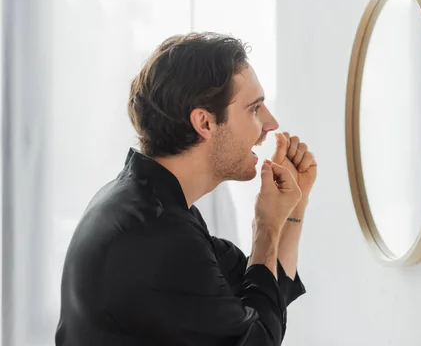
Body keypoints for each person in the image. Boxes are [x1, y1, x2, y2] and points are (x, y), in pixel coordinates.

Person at [55, 32, 317, 345]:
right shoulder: (158, 234)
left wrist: (292, 209)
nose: (271, 123)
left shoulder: (156, 205)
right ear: (204, 123)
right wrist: (266, 227)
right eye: (254, 108)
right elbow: (257, 336)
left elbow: (265, 293)